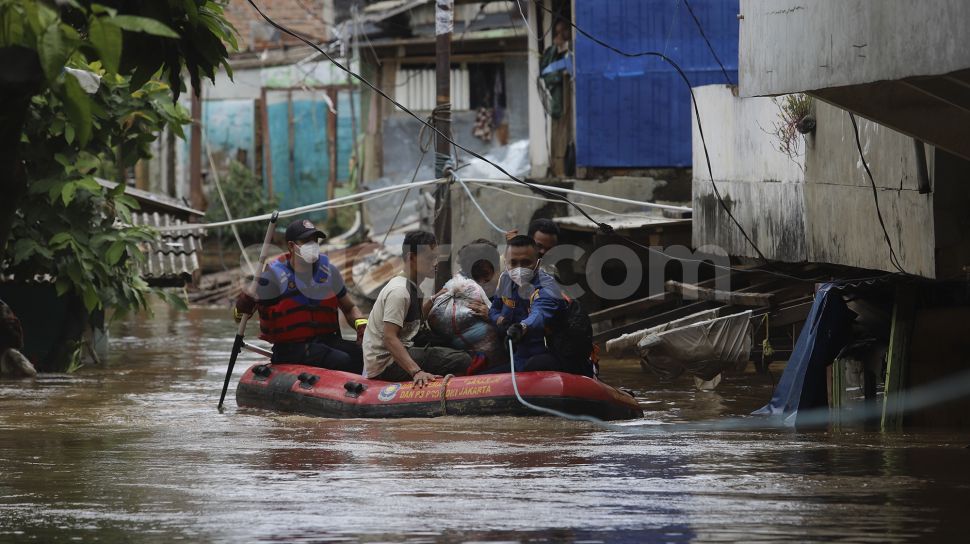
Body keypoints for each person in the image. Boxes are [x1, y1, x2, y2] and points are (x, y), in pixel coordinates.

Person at [234, 219, 367, 374]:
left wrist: (361, 324)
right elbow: (239, 317)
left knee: (362, 354)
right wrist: (244, 303)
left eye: (315, 240)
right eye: (306, 241)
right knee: (341, 360)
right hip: (291, 348)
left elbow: (349, 308)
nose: (313, 245)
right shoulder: (273, 278)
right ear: (291, 246)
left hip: (326, 340)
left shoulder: (329, 272)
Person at [361, 230, 472, 387]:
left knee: (453, 342)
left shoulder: (415, 288)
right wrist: (416, 371)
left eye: (435, 258)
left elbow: (416, 323)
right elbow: (389, 338)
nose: (435, 263)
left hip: (404, 347)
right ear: (411, 258)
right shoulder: (399, 291)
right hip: (386, 364)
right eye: (429, 258)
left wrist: (437, 297)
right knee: (461, 359)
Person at [487, 235, 594, 377]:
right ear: (506, 263)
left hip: (552, 354)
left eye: (526, 262)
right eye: (513, 263)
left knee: (534, 366)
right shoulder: (506, 280)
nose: (519, 269)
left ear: (537, 263)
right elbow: (494, 309)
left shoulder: (547, 287)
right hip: (520, 356)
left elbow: (540, 313)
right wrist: (501, 321)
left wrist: (522, 327)